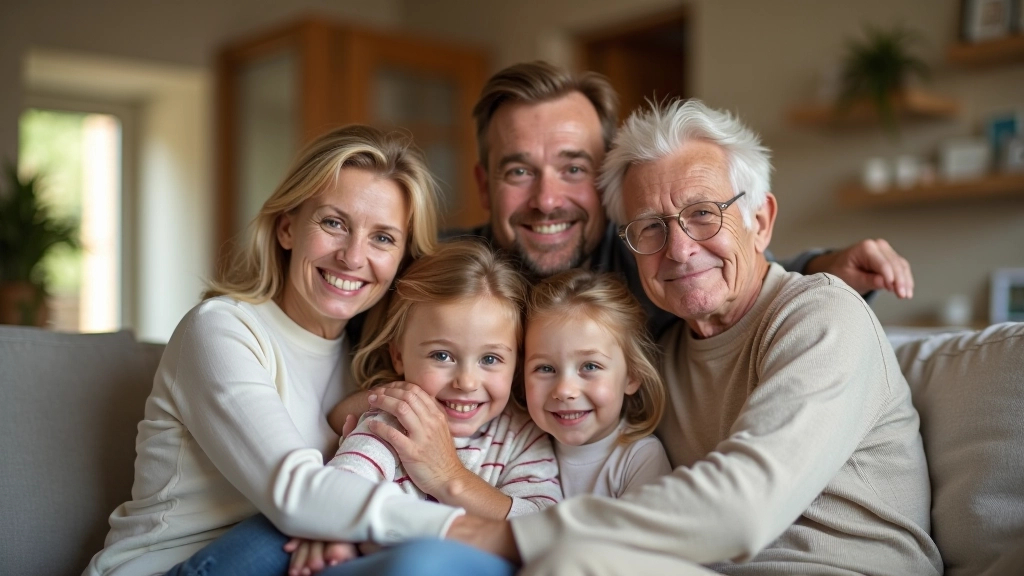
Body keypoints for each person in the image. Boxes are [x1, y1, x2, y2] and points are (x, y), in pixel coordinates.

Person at [445, 99, 942, 575]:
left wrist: (518, 535)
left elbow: (744, 508)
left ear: (761, 221)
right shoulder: (660, 354)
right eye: (651, 227)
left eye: (704, 213)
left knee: (566, 562)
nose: (679, 250)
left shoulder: (824, 315)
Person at [84, 125, 477, 576]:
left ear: (403, 259)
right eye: (334, 223)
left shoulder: (375, 367)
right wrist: (489, 534)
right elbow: (297, 495)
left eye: (383, 238)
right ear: (287, 228)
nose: (352, 257)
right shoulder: (220, 329)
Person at [456, 60, 913, 338]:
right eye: (518, 171)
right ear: (483, 186)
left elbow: (734, 272)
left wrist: (823, 269)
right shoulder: (442, 274)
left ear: (601, 180)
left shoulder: (652, 261)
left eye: (573, 169)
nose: (548, 199)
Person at [522, 269, 671, 498]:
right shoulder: (520, 446)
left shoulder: (640, 458)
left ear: (632, 376)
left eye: (590, 366)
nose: (564, 390)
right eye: (545, 368)